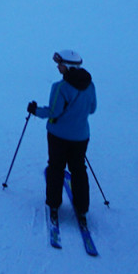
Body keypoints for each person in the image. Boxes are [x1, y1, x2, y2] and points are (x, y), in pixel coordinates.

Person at [30, 49, 97, 243]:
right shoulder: (90, 85)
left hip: (58, 136)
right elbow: (92, 108)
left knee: (56, 167)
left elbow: (54, 112)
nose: (58, 67)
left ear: (68, 67)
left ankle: (53, 204)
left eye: (60, 64)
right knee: (79, 170)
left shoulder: (60, 87)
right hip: (81, 137)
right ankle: (82, 209)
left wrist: (35, 110)